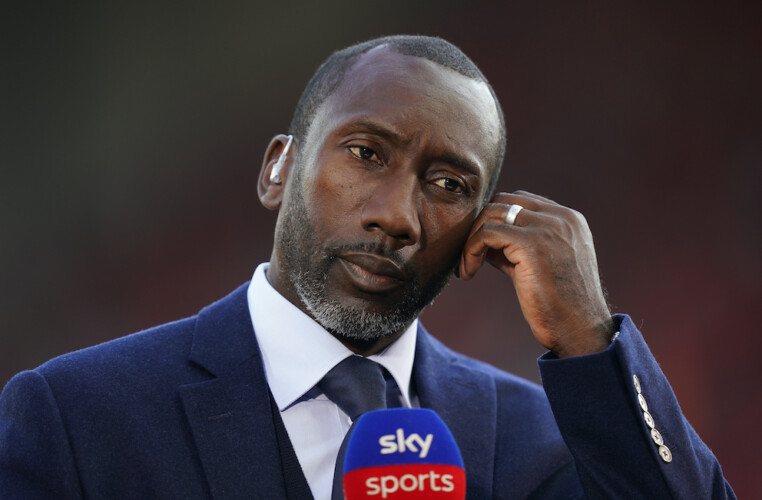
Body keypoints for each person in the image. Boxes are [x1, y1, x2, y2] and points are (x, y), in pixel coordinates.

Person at [0, 35, 734, 499]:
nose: (397, 216)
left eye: (449, 185)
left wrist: (590, 342)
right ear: (278, 170)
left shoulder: (542, 442)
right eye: (365, 153)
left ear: (482, 227)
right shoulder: (75, 417)